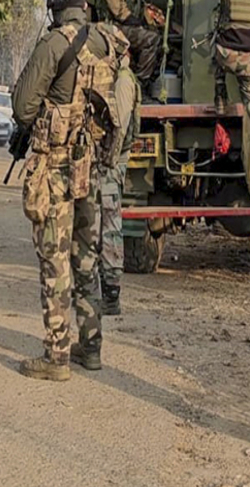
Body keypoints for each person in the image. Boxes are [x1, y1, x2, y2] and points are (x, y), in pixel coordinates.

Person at [12, 0, 128, 380]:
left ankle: (56, 356)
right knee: (85, 258)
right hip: (91, 167)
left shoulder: (55, 44)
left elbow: (23, 108)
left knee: (54, 260)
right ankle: (91, 346)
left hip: (58, 168)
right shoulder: (106, 43)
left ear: (55, 5)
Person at [96, 52, 141, 317]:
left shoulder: (123, 81)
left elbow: (120, 126)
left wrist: (108, 160)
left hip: (113, 164)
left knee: (110, 227)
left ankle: (111, 295)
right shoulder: (119, 77)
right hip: (111, 163)